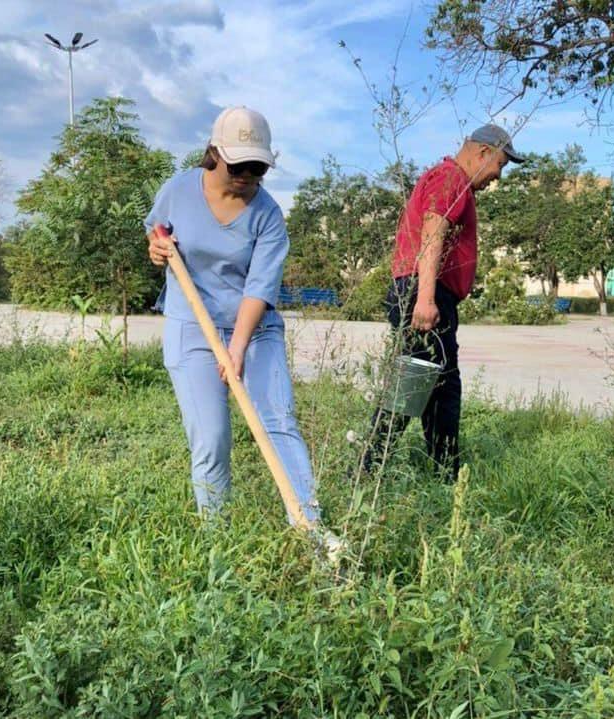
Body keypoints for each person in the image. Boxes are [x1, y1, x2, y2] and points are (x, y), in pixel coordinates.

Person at [145, 106, 339, 555]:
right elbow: (156, 233)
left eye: (258, 168)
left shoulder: (268, 215)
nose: (248, 176)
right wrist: (157, 249)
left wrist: (236, 347)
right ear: (215, 154)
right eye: (240, 166)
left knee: (278, 422)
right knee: (211, 436)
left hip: (255, 327)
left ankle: (310, 529)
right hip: (192, 326)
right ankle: (218, 543)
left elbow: (259, 288)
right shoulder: (177, 190)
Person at [361, 124, 525, 480]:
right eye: (500, 164)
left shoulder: (452, 179)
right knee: (413, 385)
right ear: (483, 153)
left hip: (429, 292)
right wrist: (425, 298)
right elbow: (433, 231)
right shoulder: (451, 177)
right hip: (424, 293)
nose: (497, 176)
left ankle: (441, 471)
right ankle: (369, 469)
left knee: (440, 387)